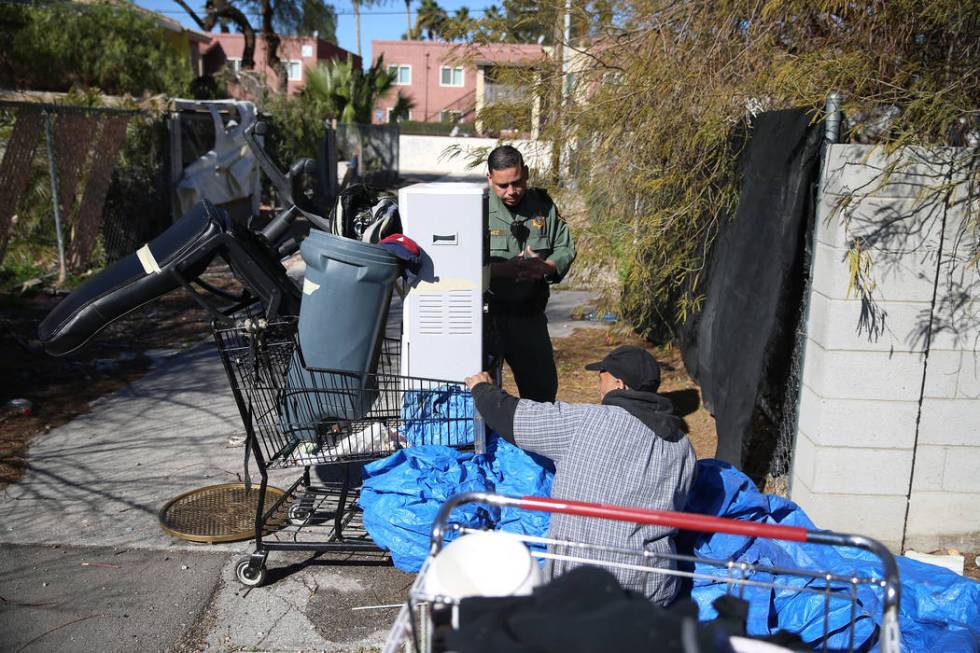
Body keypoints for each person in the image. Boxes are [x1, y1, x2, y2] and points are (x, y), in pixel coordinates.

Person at [465, 345, 697, 606]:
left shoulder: (586, 422)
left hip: (585, 583)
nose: (598, 388)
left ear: (618, 383)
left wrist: (483, 389)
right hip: (654, 586)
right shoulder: (682, 445)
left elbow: (516, 419)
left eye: (601, 379)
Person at [485, 145, 576, 403]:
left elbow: (564, 246)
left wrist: (548, 266)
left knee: (541, 392)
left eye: (517, 182)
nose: (511, 192)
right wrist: (501, 270)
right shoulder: (475, 210)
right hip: (487, 319)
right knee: (482, 395)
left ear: (525, 173)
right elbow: (461, 264)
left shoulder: (543, 206)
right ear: (489, 178)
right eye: (502, 185)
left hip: (528, 317)